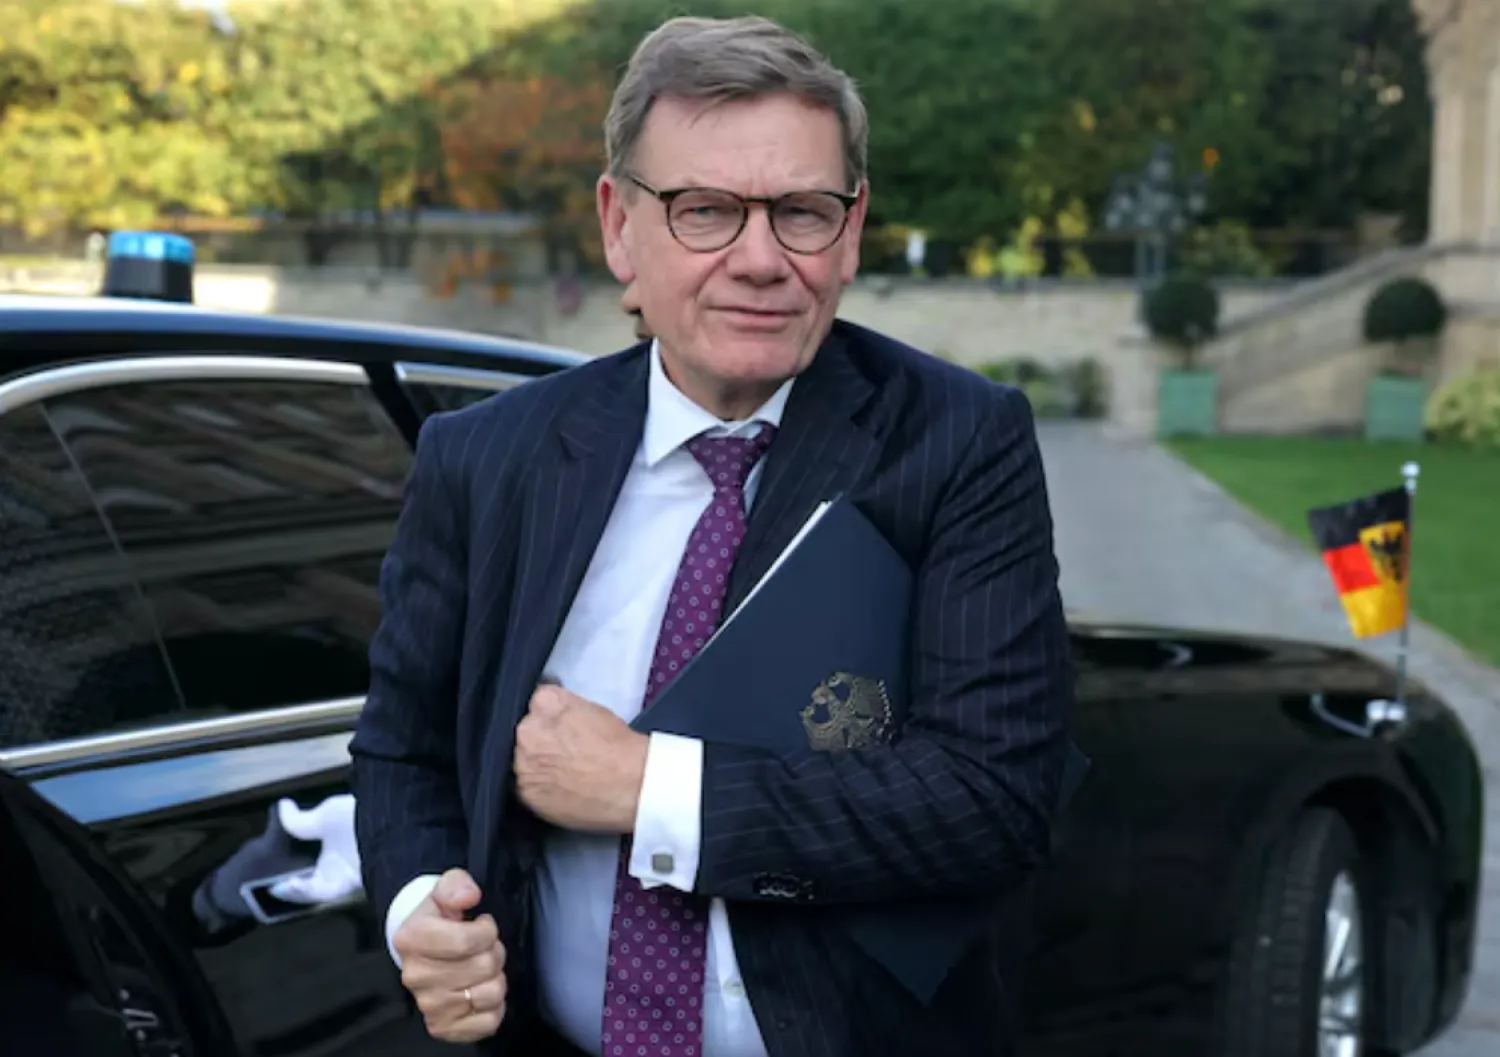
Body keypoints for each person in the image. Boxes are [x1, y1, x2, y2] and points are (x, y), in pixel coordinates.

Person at [350, 14, 1073, 1057]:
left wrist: (650, 788)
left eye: (803, 212)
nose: (761, 259)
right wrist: (420, 903)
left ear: (854, 227)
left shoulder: (959, 444)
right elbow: (402, 746)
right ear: (618, 226)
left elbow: (994, 801)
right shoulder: (485, 459)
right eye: (706, 212)